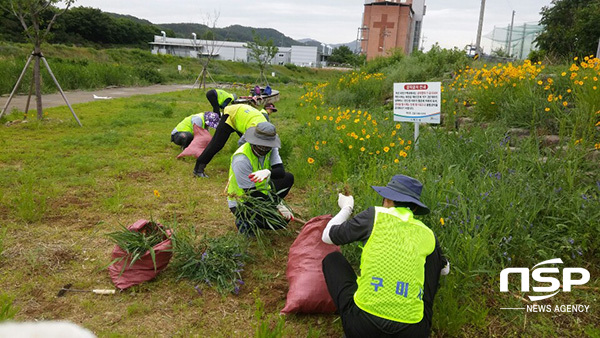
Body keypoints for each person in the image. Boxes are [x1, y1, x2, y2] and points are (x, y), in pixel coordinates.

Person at [321, 175, 449, 338]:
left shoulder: (375, 216)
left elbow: (327, 236)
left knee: (332, 259)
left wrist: (347, 207)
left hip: (363, 326)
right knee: (433, 262)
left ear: (387, 199)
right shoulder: (427, 233)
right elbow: (445, 270)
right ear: (414, 208)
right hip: (412, 332)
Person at [227, 122, 294, 234]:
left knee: (288, 178)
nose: (264, 150)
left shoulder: (271, 149)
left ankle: (261, 215)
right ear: (253, 142)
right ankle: (244, 220)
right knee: (279, 222)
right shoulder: (241, 160)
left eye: (267, 146)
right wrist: (276, 205)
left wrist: (268, 172)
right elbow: (251, 194)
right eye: (261, 146)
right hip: (244, 201)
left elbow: (280, 172)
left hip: (263, 192)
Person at [193, 103, 268, 178]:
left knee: (254, 147)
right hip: (231, 114)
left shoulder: (268, 130)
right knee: (217, 144)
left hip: (242, 118)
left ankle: (252, 169)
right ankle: (198, 169)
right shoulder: (253, 129)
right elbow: (241, 143)